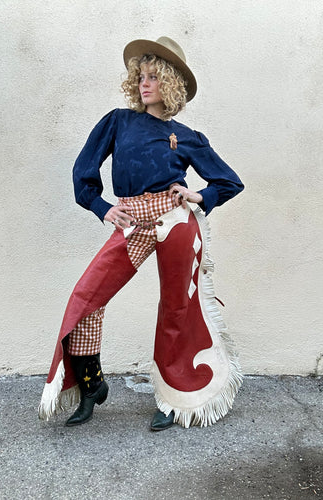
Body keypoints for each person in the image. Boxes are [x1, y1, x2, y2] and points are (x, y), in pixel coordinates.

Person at [38, 37, 244, 431]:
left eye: (153, 77)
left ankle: (173, 398)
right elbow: (84, 174)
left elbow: (229, 182)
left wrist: (197, 194)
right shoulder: (118, 120)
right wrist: (103, 207)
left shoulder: (186, 135)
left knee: (175, 308)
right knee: (87, 298)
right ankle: (90, 385)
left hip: (175, 223)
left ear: (169, 85)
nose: (143, 84)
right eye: (140, 77)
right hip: (133, 222)